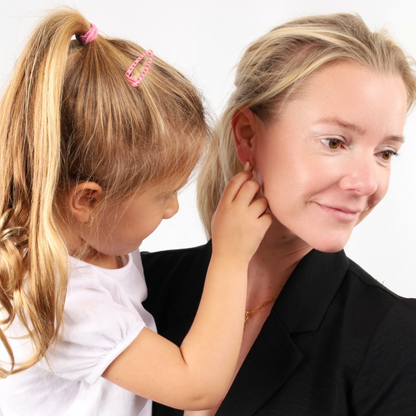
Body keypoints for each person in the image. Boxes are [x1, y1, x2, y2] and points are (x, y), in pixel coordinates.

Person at [0, 8, 272, 416]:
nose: (172, 208)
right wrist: (230, 257)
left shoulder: (97, 248)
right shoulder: (70, 302)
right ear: (88, 201)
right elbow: (197, 388)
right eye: (164, 194)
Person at [142, 13, 416, 416]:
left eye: (385, 153)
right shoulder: (139, 290)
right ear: (248, 136)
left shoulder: (396, 337)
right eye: (335, 142)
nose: (366, 183)